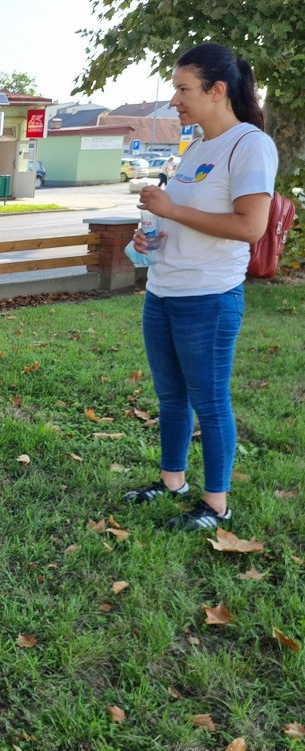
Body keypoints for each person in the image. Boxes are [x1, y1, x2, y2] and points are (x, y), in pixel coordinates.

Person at [124, 42, 276, 531]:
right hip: (164, 290)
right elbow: (186, 219)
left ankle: (215, 504)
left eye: (183, 89)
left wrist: (172, 208)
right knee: (171, 397)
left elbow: (250, 226)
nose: (174, 100)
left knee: (209, 401)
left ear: (217, 90)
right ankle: (172, 481)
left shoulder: (249, 144)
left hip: (208, 296)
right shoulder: (196, 149)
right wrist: (152, 235)